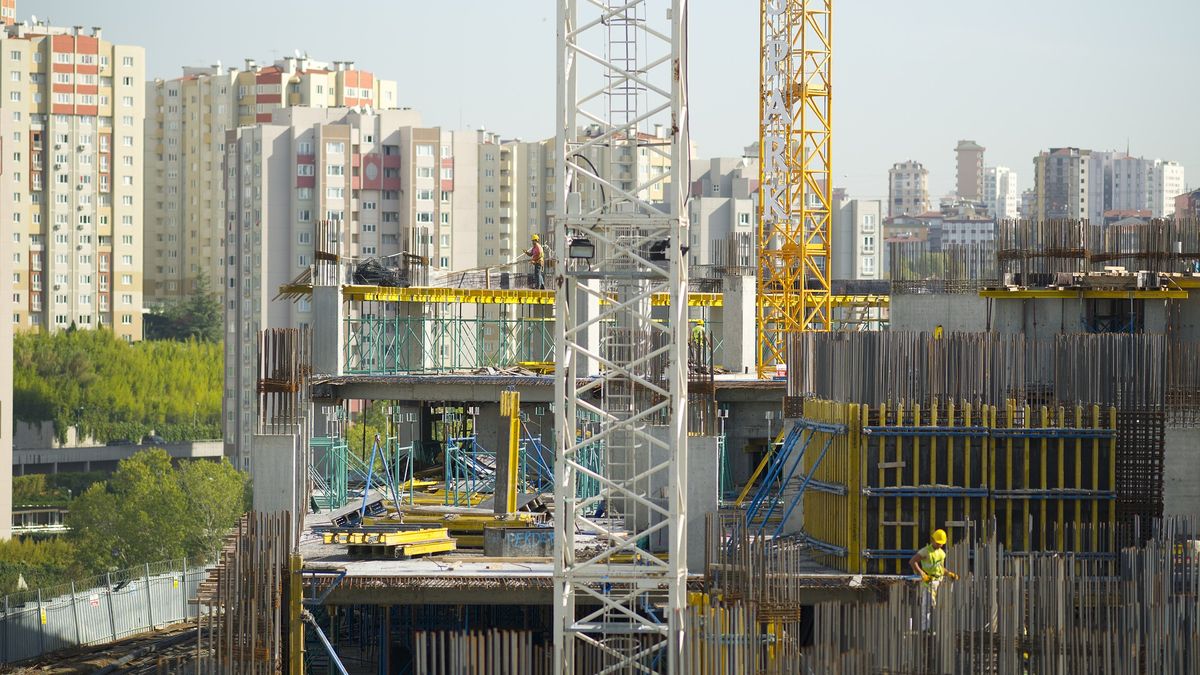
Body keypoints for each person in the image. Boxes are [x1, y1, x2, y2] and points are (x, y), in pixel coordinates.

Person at [909, 528, 958, 630]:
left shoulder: (942, 553)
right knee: (926, 607)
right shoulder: (925, 551)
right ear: (932, 540)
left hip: (939, 582)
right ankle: (925, 630)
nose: (940, 545)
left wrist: (948, 573)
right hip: (928, 582)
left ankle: (938, 629)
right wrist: (922, 573)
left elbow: (940, 568)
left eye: (941, 543)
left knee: (939, 606)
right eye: (938, 543)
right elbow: (912, 561)